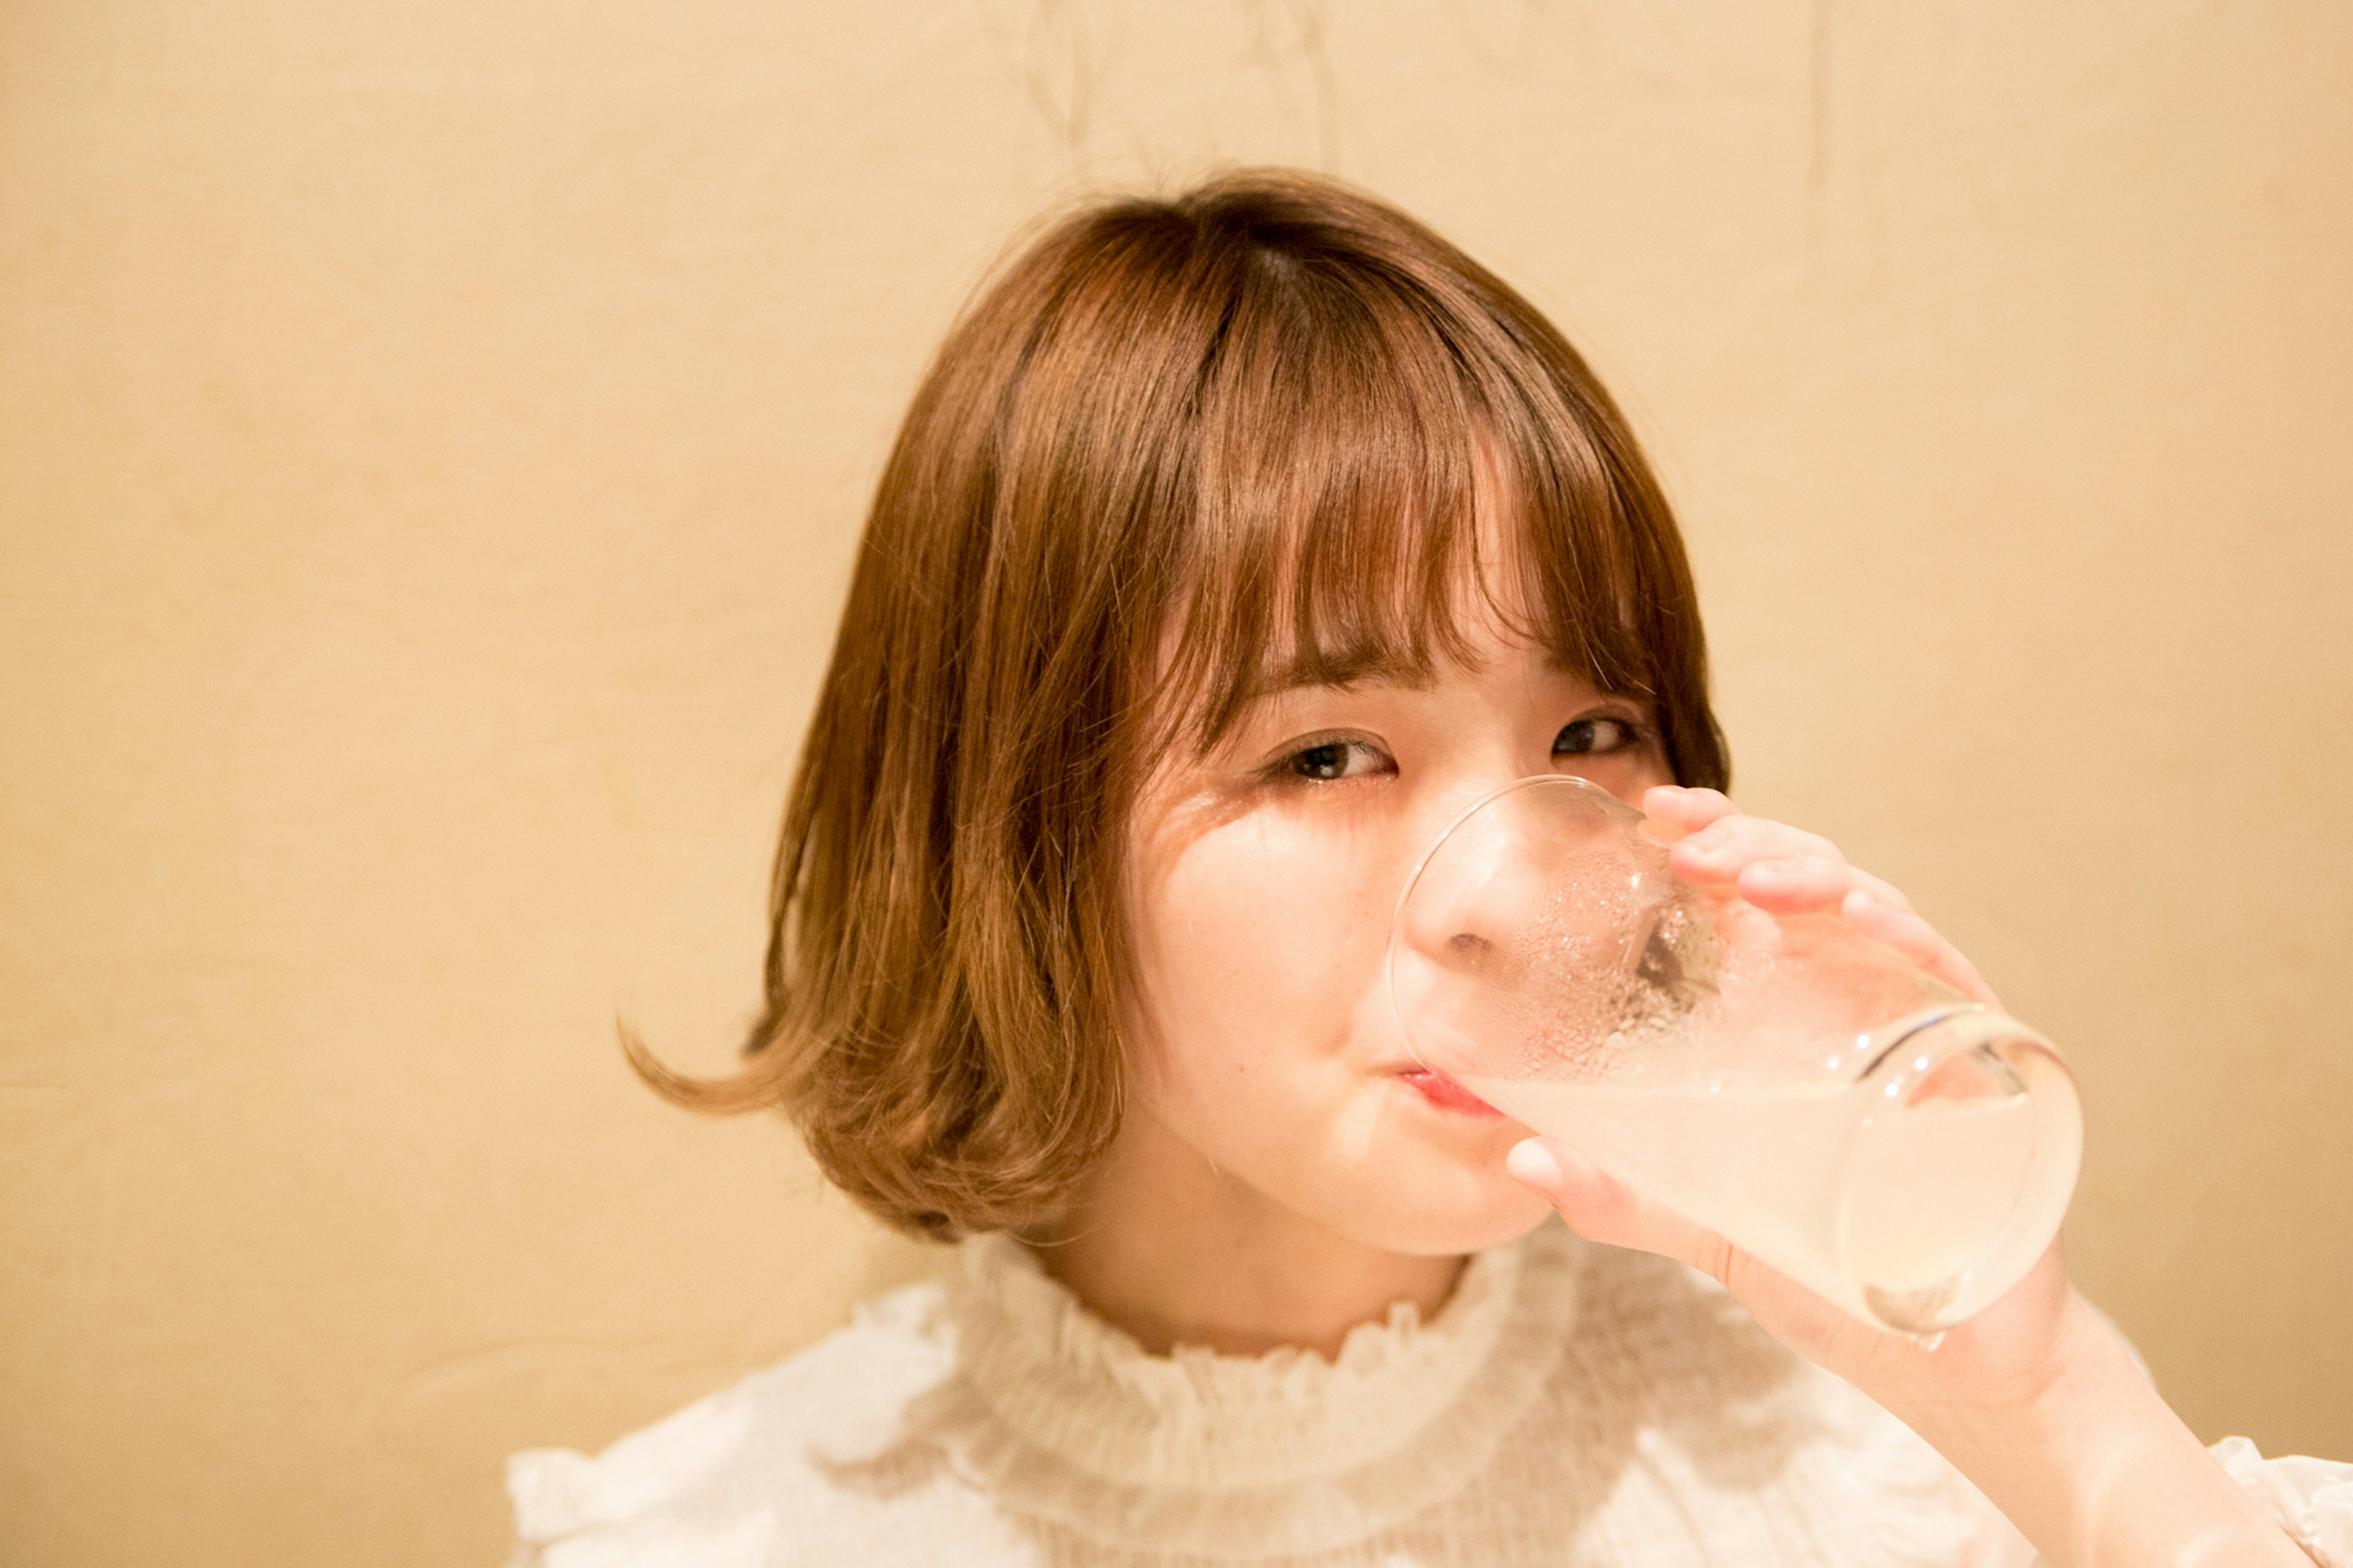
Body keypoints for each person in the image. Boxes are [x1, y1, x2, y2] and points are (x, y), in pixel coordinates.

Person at [505, 170, 2349, 1566]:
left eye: (1592, 737)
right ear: (1018, 836)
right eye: (1322, 755)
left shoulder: (1859, 1478)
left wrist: (2053, 1417)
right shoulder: (715, 1535)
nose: (1508, 893)